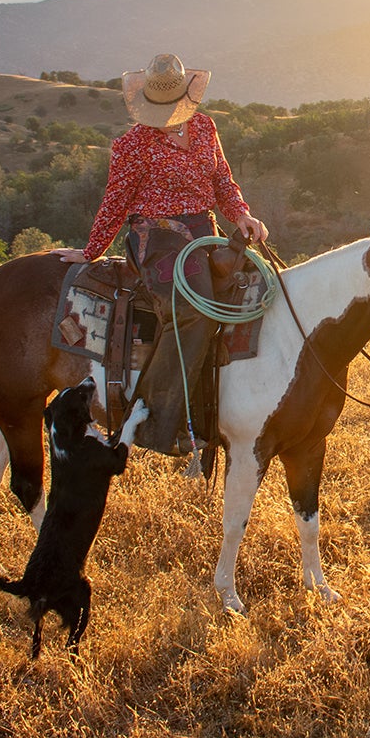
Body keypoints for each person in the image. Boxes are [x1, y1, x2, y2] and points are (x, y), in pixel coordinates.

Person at [52, 53, 268, 455]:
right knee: (194, 312)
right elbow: (115, 202)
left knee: (257, 290)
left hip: (206, 232)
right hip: (159, 237)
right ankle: (154, 421)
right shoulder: (132, 144)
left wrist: (242, 215)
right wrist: (91, 250)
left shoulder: (205, 127)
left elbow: (222, 179)